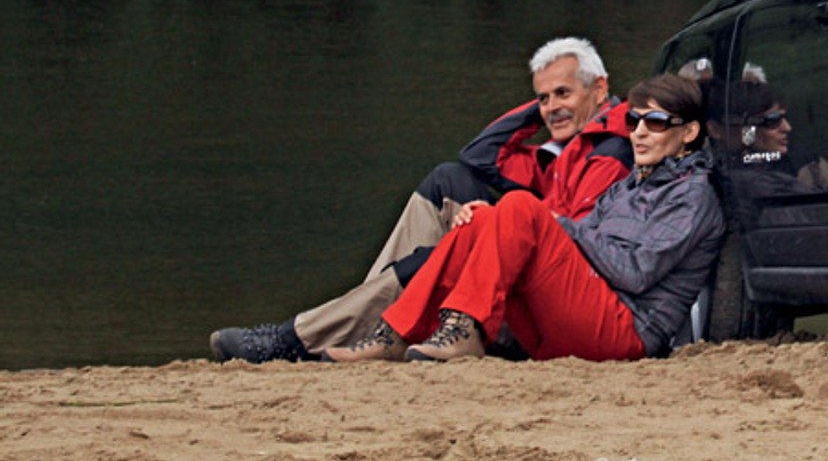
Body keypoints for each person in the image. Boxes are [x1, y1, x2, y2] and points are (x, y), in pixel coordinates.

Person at [208, 37, 630, 363]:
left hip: (560, 295)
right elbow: (479, 155)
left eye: (563, 93)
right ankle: (367, 324)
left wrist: (496, 222)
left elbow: (582, 241)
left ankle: (299, 339)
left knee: (438, 256)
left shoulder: (609, 152)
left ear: (600, 89)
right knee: (450, 180)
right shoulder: (562, 153)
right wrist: (544, 110)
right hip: (538, 259)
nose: (551, 108)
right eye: (543, 97)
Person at [327, 72, 725, 363]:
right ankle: (394, 332)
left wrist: (550, 221)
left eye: (654, 123)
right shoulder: (631, 185)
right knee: (486, 218)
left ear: (688, 132)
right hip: (579, 317)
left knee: (522, 206)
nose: (638, 133)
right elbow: (582, 238)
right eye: (633, 120)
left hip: (626, 334)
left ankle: (463, 329)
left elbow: (636, 272)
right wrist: (501, 225)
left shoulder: (692, 195)